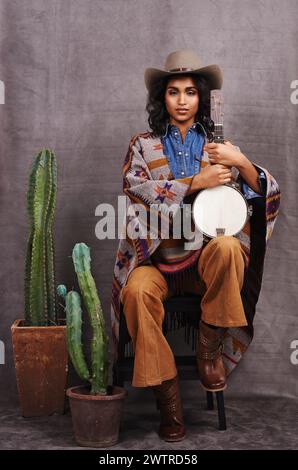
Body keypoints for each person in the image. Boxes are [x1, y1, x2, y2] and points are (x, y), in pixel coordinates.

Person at [111, 49, 280, 442]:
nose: (183, 100)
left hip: (206, 263)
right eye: (174, 92)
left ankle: (208, 350)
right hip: (157, 261)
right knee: (136, 293)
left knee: (226, 247)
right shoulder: (142, 144)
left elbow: (267, 197)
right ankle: (168, 399)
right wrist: (194, 184)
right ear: (162, 98)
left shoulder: (220, 146)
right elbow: (135, 189)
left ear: (202, 98)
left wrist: (240, 161)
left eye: (190, 91)